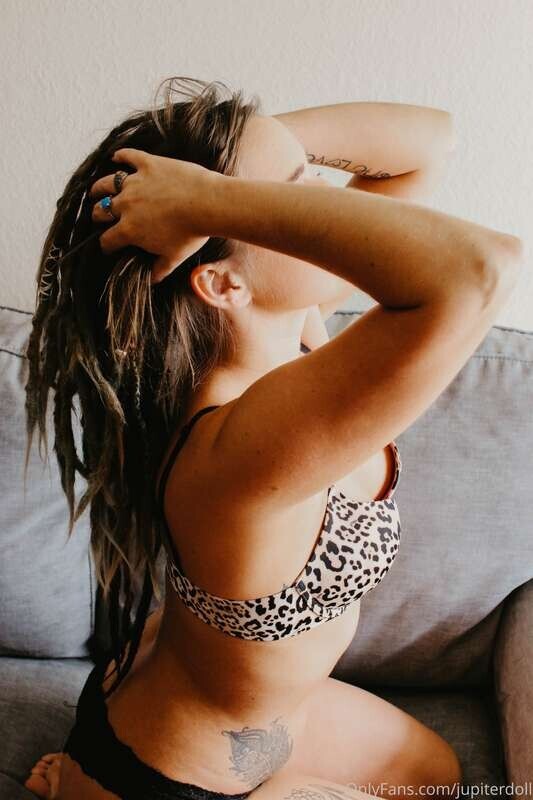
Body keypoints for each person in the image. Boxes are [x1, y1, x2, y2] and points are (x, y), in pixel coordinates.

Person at [23, 76, 522, 800]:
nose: (321, 204)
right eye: (294, 190)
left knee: (440, 780)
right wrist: (209, 198)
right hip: (173, 776)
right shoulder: (236, 447)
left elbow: (428, 141)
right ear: (224, 285)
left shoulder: (292, 332)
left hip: (255, 716)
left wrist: (234, 159)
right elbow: (479, 269)